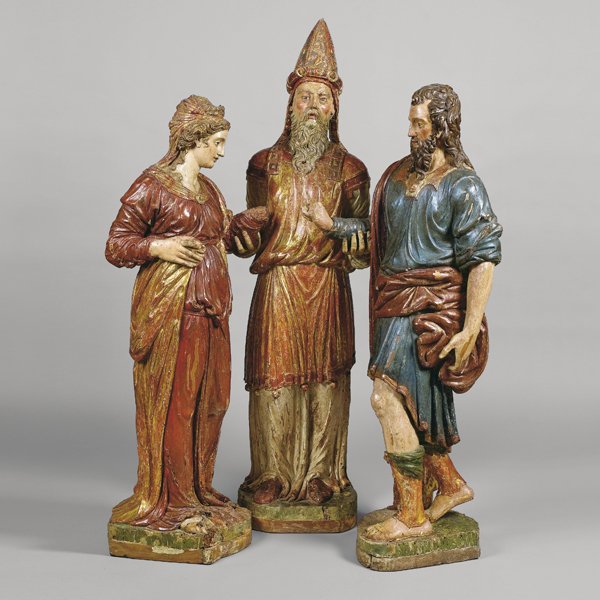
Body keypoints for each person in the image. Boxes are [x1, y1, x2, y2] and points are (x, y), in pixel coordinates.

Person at [309, 84, 502, 540]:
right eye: (410, 122)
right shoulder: (395, 176)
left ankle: (413, 515)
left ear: (442, 127)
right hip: (392, 304)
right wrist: (333, 226)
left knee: (386, 398)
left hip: (433, 311)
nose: (411, 132)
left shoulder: (463, 184)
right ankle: (448, 487)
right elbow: (379, 234)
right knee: (417, 410)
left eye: (419, 124)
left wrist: (470, 326)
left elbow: (482, 258)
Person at [237, 20, 370, 509]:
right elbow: (252, 235)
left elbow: (368, 239)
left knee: (325, 382)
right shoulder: (263, 164)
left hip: (327, 283)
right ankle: (271, 472)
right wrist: (241, 232)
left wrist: (334, 226)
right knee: (273, 378)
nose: (313, 106)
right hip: (278, 284)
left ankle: (321, 475)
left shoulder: (351, 169)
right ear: (290, 104)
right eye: (305, 97)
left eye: (322, 98)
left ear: (334, 108)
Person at [105, 96, 243, 531]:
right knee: (177, 403)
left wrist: (250, 226)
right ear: (194, 140)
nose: (222, 152)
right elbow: (116, 244)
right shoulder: (153, 185)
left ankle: (199, 486)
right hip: (174, 311)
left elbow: (225, 235)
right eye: (217, 143)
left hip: (213, 307)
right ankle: (176, 501)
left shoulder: (210, 189)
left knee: (213, 401)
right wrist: (159, 246)